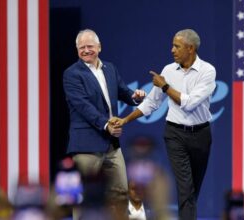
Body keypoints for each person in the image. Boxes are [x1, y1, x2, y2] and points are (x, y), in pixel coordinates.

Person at [110, 29, 216, 220]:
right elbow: (151, 103)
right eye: (172, 45)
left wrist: (165, 86)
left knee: (193, 190)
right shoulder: (168, 70)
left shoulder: (207, 71)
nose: (172, 50)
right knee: (185, 187)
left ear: (190, 48)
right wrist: (126, 119)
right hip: (174, 134)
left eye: (177, 46)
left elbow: (190, 103)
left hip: (201, 135)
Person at [62, 29, 146, 210]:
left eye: (89, 46)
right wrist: (107, 124)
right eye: (81, 47)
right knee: (87, 198)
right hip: (86, 147)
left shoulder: (110, 68)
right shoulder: (72, 74)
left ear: (99, 47)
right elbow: (83, 106)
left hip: (112, 145)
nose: (85, 50)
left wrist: (136, 97)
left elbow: (124, 92)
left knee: (121, 194)